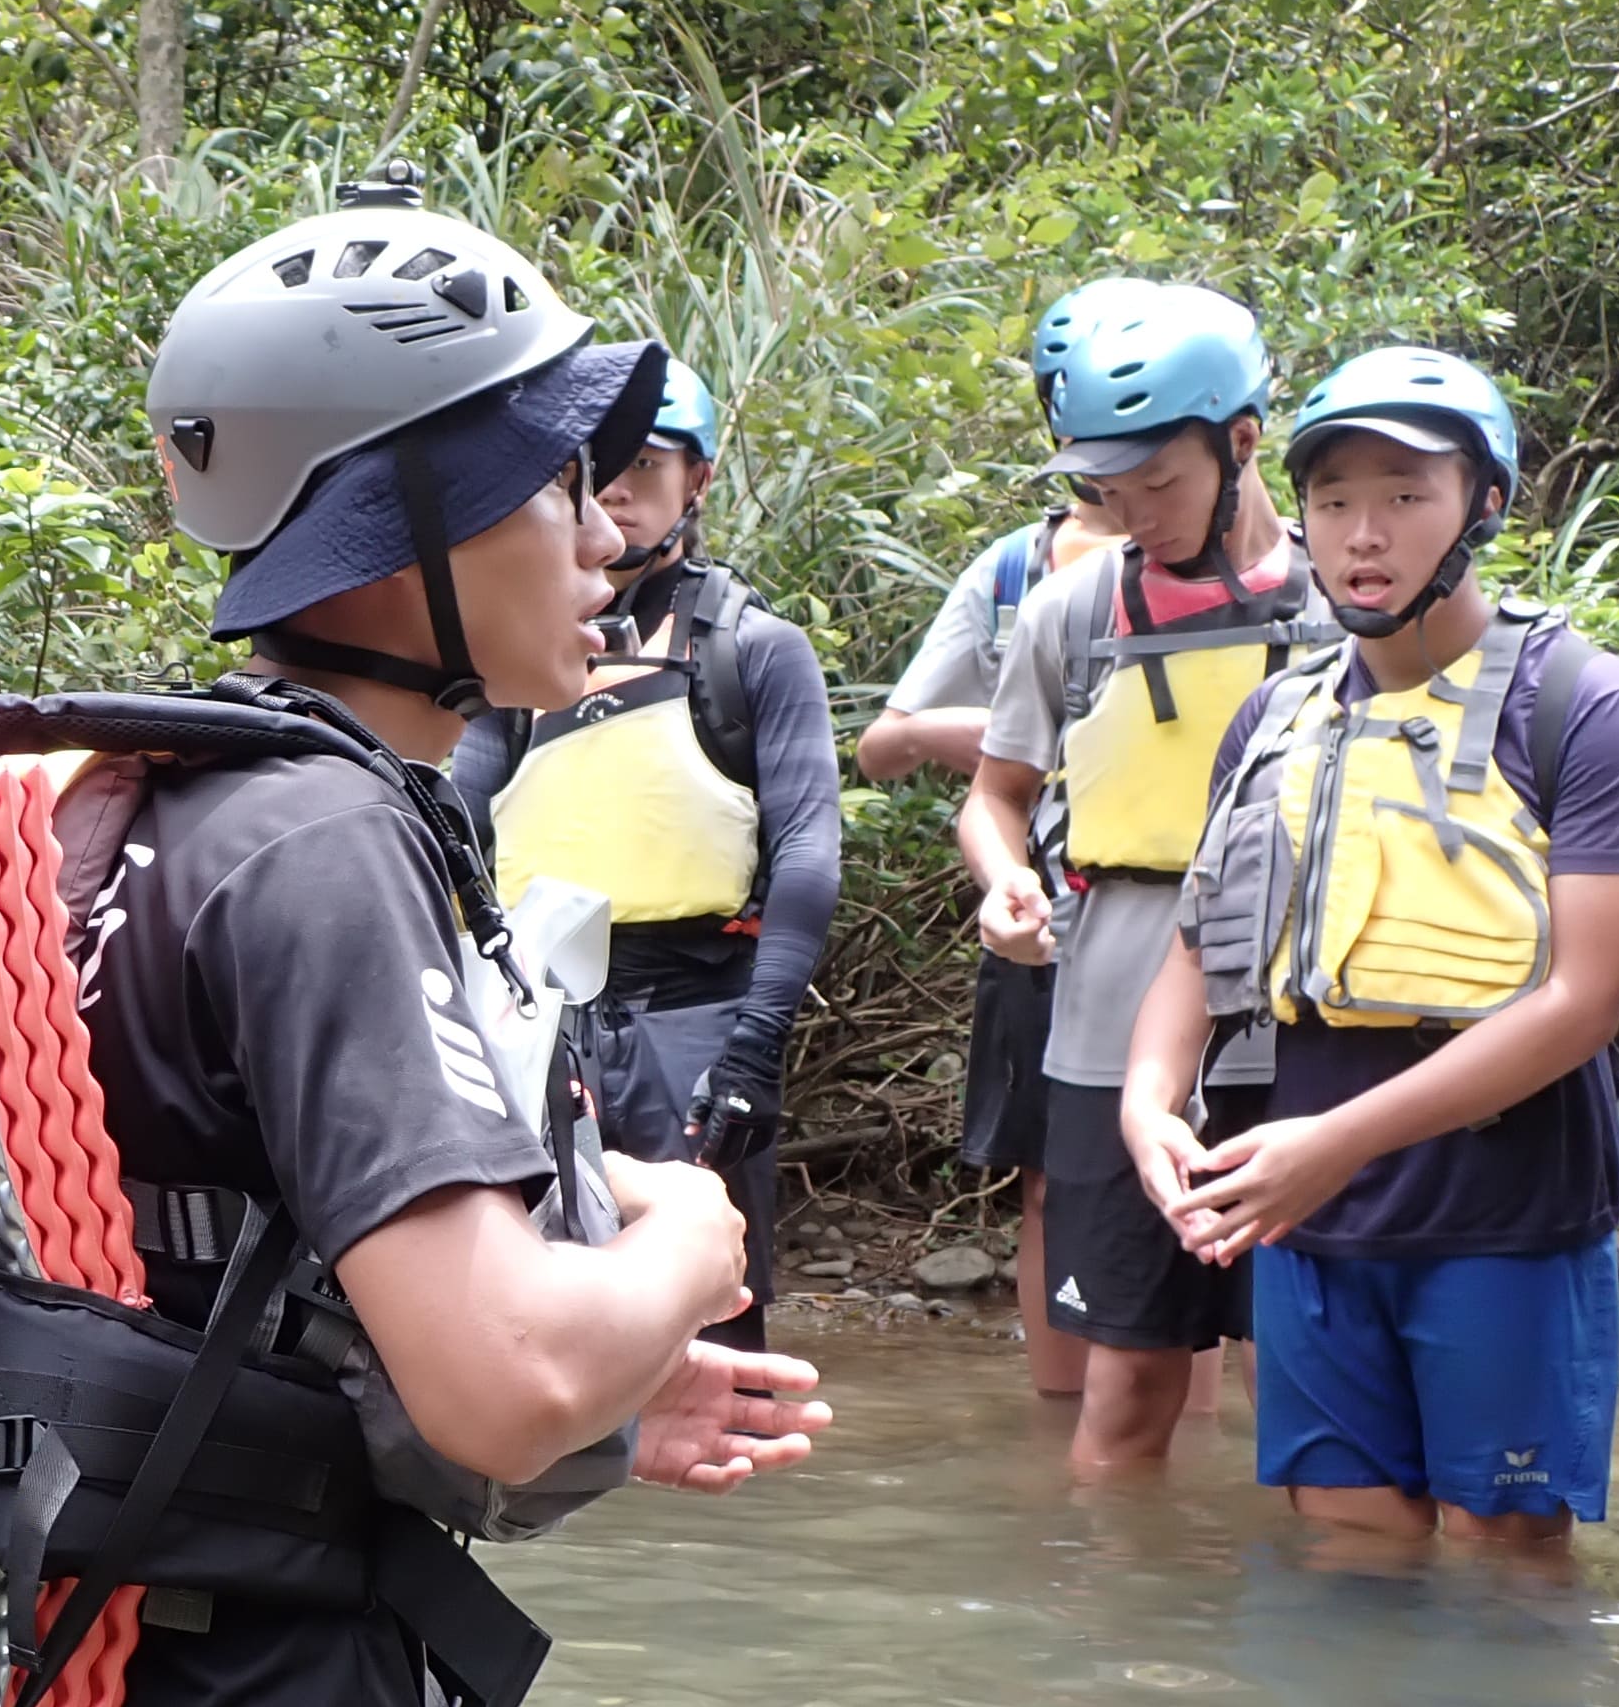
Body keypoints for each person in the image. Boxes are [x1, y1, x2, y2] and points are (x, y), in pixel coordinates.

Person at [9, 184, 830, 1707]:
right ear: (407, 524)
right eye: (552, 483)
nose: (602, 534)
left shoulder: (148, 810)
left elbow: (208, 1305)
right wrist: (678, 1254)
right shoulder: (322, 853)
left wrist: (615, 1403)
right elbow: (486, 1384)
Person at [1118, 349, 1619, 1540]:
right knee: (1346, 1533)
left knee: (1508, 1550)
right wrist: (1146, 1100)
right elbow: (1200, 939)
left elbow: (1584, 1001)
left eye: (1404, 495)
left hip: (1504, 1196)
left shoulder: (1586, 705)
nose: (1361, 535)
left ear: (1482, 504)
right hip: (1305, 1197)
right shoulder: (1278, 714)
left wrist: (1335, 1145)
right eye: (1332, 502)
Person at [960, 281, 1306, 1474]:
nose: (1132, 513)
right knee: (1123, 1387)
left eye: (1157, 482)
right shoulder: (1069, 611)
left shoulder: (1339, 609)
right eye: (1105, 490)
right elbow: (996, 795)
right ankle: (1105, 1632)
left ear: (1241, 442)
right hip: (1107, 1012)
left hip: (1298, 1024)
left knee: (1302, 1379)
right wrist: (1006, 881)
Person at [454, 363, 843, 1348]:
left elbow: (806, 851)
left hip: (697, 1019)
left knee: (707, 1319)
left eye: (641, 463)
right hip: (538, 1022)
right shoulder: (513, 659)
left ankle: (709, 1492)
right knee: (540, 1310)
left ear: (697, 480)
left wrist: (755, 1047)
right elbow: (451, 822)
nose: (613, 488)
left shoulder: (752, 649)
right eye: (585, 468)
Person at [864, 307, 1136, 1397]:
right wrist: (1002, 736)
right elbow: (884, 744)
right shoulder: (1015, 572)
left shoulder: (1246, 575)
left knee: (1200, 1182)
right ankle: (1060, 1426)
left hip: (1192, 915)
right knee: (1050, 1180)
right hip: (1040, 908)